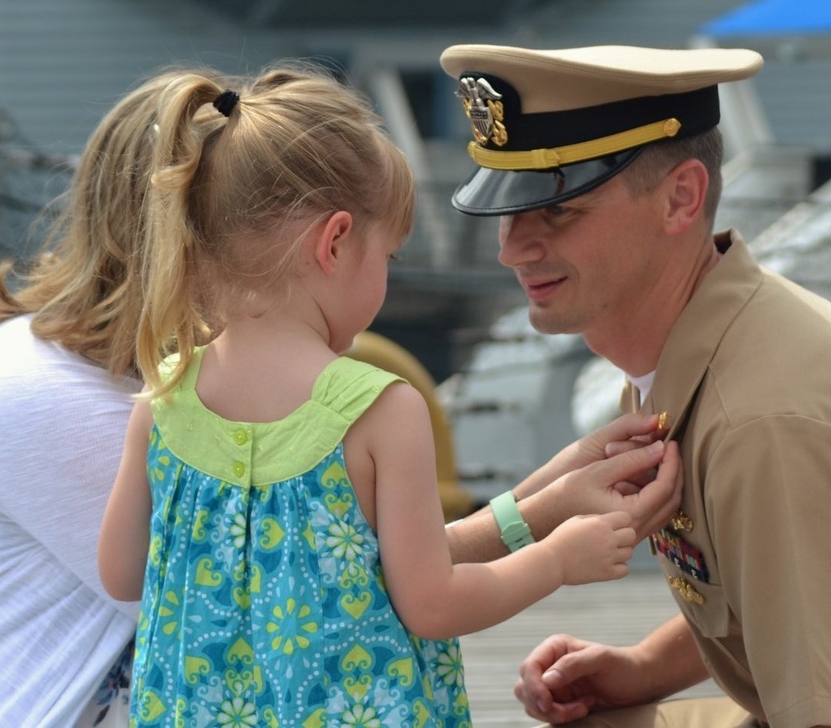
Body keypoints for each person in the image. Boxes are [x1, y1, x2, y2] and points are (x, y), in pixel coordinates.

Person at [96, 62, 684, 728]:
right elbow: (431, 599)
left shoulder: (164, 399)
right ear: (337, 241)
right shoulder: (378, 408)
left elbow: (120, 573)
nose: (387, 275)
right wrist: (557, 559)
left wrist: (551, 493)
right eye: (390, 255)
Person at [439, 43, 831, 728]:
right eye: (510, 211)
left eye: (557, 210)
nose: (510, 248)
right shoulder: (688, 356)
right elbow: (772, 594)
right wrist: (642, 669)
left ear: (681, 198)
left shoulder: (769, 421)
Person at [0, 66, 228, 727]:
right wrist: (505, 527)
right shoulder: (47, 392)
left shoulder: (147, 381)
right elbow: (264, 609)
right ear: (186, 239)